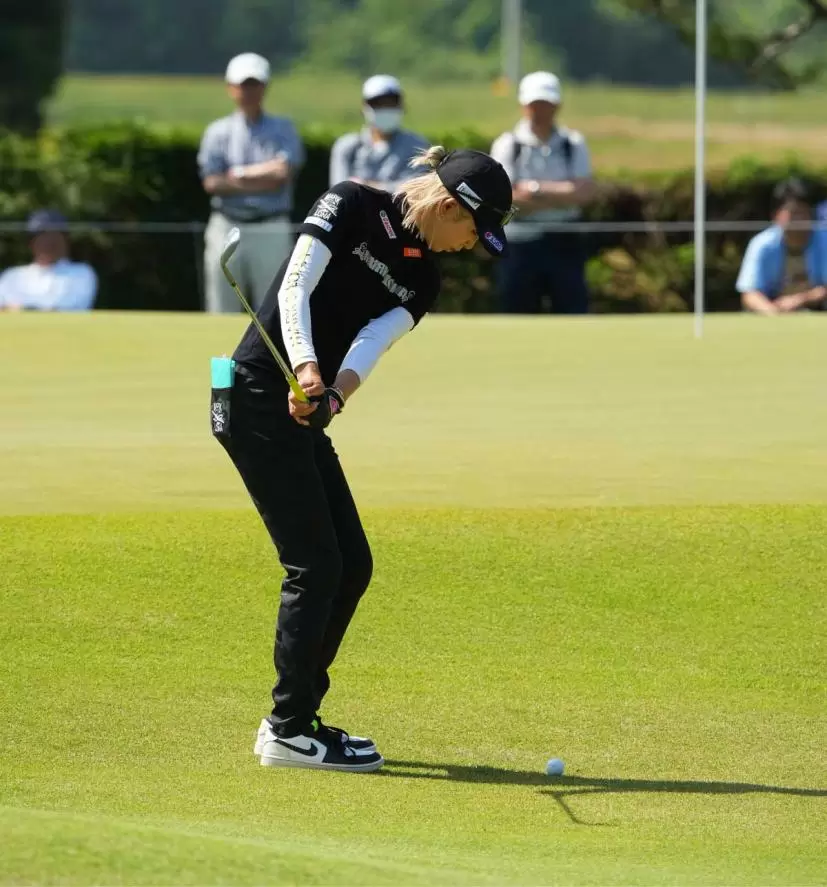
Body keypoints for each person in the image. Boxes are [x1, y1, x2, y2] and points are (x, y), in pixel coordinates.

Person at [214, 147, 514, 772]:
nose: (469, 247)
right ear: (449, 204)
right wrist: (305, 369)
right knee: (315, 565)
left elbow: (371, 343)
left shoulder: (424, 280)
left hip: (302, 405)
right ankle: (289, 730)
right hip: (253, 393)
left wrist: (332, 399)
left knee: (352, 564)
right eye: (471, 232)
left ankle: (297, 719)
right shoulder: (351, 203)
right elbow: (297, 284)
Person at [198, 52, 305, 314]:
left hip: (271, 225)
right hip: (226, 224)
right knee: (222, 308)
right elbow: (212, 182)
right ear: (230, 88)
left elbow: (283, 174)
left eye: (254, 84)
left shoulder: (283, 128)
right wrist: (264, 178)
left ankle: (267, 358)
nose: (248, 91)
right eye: (242, 85)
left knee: (274, 310)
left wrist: (238, 175)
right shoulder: (217, 131)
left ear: (265, 87)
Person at [490, 71, 596, 314]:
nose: (539, 110)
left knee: (572, 312)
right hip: (519, 243)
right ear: (523, 106)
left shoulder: (573, 142)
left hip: (565, 240)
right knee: (516, 314)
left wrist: (535, 191)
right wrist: (561, 196)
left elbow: (584, 193)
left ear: (557, 105)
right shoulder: (508, 143)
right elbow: (503, 198)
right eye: (534, 104)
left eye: (545, 103)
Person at [737, 178, 827, 314]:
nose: (800, 219)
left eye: (804, 212)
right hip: (772, 311)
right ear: (776, 215)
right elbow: (749, 292)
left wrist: (800, 299)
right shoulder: (762, 244)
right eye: (793, 213)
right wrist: (772, 312)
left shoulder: (824, 240)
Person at [328, 75, 429, 191]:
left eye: (391, 104)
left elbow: (414, 188)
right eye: (378, 104)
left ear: (402, 106)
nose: (385, 109)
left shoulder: (418, 146)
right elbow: (339, 191)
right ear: (364, 107)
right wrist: (387, 188)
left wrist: (365, 186)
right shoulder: (346, 146)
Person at [0, 210, 97, 312]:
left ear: (66, 240)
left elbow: (69, 309)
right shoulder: (12, 276)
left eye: (54, 236)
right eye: (42, 236)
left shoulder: (82, 273)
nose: (48, 242)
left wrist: (22, 309)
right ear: (31, 243)